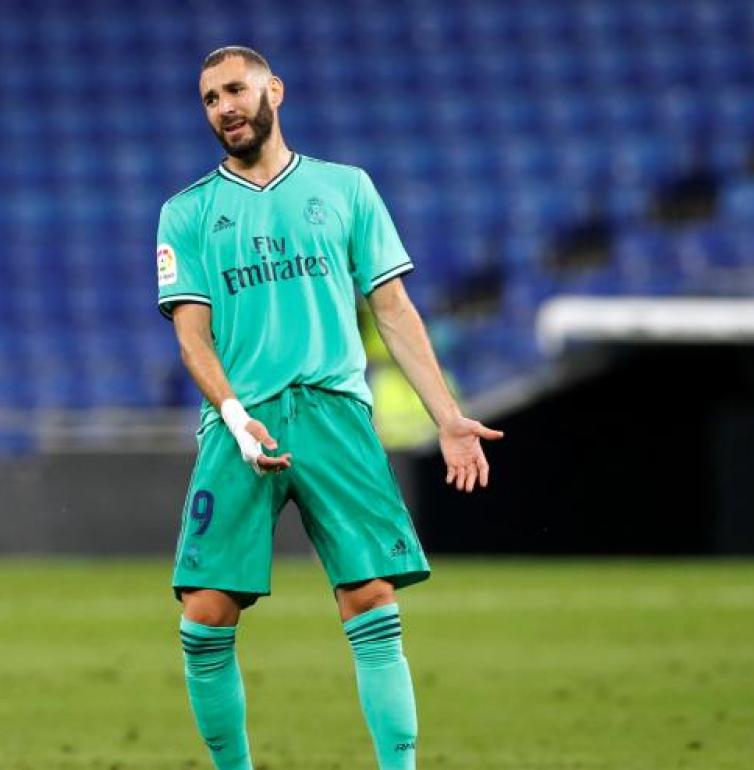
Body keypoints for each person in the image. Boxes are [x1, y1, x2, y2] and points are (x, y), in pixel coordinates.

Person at [157, 47, 502, 770]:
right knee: (204, 617)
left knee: (370, 600)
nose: (225, 107)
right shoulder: (186, 211)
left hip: (334, 412)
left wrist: (447, 414)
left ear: (273, 90)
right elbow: (192, 338)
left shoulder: (345, 189)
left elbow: (395, 307)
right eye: (210, 98)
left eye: (236, 90)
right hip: (239, 422)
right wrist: (232, 413)